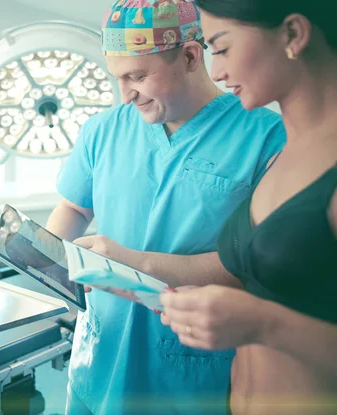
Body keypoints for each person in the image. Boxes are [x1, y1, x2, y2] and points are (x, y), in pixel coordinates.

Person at [44, 0, 286, 414]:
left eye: (138, 76)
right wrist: (47, 263)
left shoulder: (267, 137)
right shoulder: (103, 129)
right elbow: (72, 209)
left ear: (191, 56)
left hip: (189, 371)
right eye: (118, 77)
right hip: (97, 360)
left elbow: (259, 267)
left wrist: (134, 263)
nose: (127, 94)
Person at [158, 1, 337, 414]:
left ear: (293, 34)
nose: (216, 73)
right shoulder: (280, 159)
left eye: (221, 48)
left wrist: (263, 323)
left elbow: (268, 314)